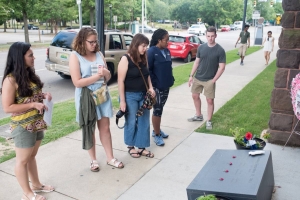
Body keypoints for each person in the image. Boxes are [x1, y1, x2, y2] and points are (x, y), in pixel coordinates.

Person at [1, 42, 54, 200]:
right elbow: (8, 107)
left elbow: (30, 95)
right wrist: (33, 104)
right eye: (30, 55)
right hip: (23, 126)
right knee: (22, 160)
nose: (33, 57)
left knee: (31, 156)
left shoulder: (29, 74)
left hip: (37, 123)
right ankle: (27, 193)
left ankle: (36, 185)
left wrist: (43, 96)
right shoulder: (10, 80)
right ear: (20, 57)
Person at [69, 27, 124, 171]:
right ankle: (93, 160)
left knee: (105, 128)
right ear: (82, 41)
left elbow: (108, 77)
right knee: (90, 128)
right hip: (86, 95)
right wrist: (97, 76)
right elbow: (77, 82)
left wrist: (106, 73)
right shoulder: (75, 56)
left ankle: (110, 158)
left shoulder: (99, 53)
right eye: (91, 42)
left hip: (101, 93)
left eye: (96, 41)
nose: (94, 44)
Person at [118, 33, 156, 158]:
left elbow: (147, 75)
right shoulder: (125, 59)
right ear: (136, 44)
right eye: (143, 46)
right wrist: (122, 101)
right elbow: (120, 81)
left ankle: (141, 147)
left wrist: (150, 88)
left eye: (146, 46)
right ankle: (130, 146)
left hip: (143, 95)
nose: (145, 49)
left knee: (144, 121)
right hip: (130, 96)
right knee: (131, 122)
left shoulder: (143, 57)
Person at [187, 26, 226, 130]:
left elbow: (222, 68)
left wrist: (213, 80)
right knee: (195, 96)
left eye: (212, 36)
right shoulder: (201, 47)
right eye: (208, 36)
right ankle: (198, 115)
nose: (210, 38)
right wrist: (191, 76)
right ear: (206, 35)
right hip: (198, 77)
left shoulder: (220, 50)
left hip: (210, 79)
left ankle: (209, 120)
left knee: (209, 100)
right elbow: (196, 62)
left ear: (216, 36)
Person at [147, 29, 174, 146]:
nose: (168, 42)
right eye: (166, 40)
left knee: (160, 109)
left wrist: (171, 79)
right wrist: (152, 87)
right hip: (156, 87)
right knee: (157, 110)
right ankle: (157, 135)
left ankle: (156, 129)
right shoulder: (151, 52)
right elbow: (148, 71)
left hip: (166, 86)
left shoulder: (167, 51)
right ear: (159, 40)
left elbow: (169, 67)